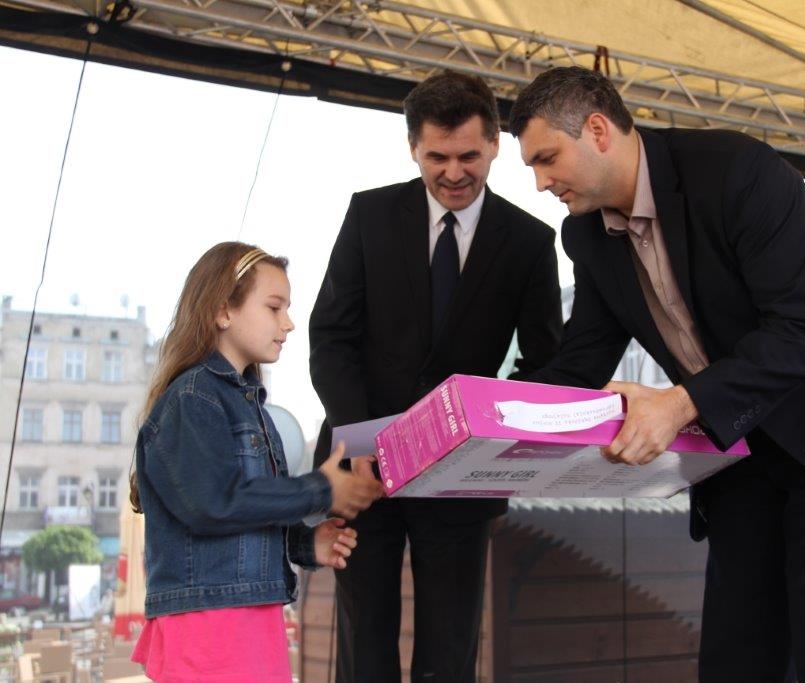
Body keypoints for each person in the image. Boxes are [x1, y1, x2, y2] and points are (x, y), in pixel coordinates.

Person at [509, 66, 805, 682]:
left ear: (597, 131)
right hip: (744, 442)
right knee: (737, 655)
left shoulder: (734, 170)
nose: (540, 182)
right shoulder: (587, 236)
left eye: (546, 159)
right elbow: (580, 362)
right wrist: (476, 419)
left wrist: (676, 405)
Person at [309, 70, 562, 683]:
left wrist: (490, 439)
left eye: (468, 156)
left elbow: (543, 363)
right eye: (437, 157)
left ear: (495, 143)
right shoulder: (368, 214)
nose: (453, 173)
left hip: (461, 474)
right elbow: (331, 338)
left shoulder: (531, 242)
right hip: (359, 468)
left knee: (450, 653)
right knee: (364, 649)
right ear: (412, 148)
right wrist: (360, 442)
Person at [130, 241, 382, 682]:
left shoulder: (249, 408)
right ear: (223, 311)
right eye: (274, 307)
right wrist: (321, 489)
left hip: (247, 615)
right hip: (208, 624)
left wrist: (305, 545)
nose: (288, 323)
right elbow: (214, 503)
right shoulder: (193, 398)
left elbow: (246, 514)